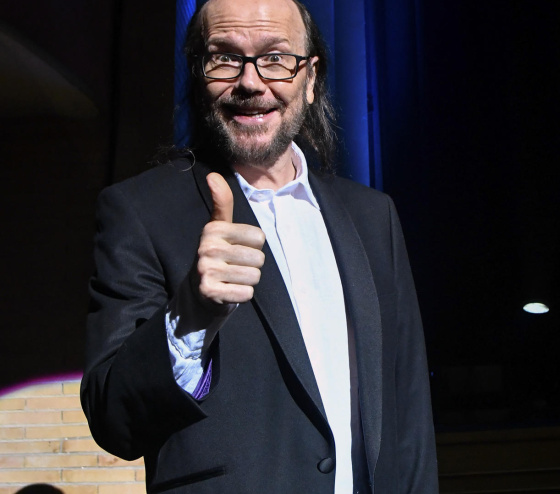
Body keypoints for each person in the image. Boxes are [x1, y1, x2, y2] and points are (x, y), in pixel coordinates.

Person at [80, 0, 438, 492]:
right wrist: (189, 316)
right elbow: (113, 419)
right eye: (225, 57)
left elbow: (409, 416)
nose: (250, 82)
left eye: (275, 58)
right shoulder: (140, 212)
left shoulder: (373, 217)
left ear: (310, 80)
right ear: (197, 75)